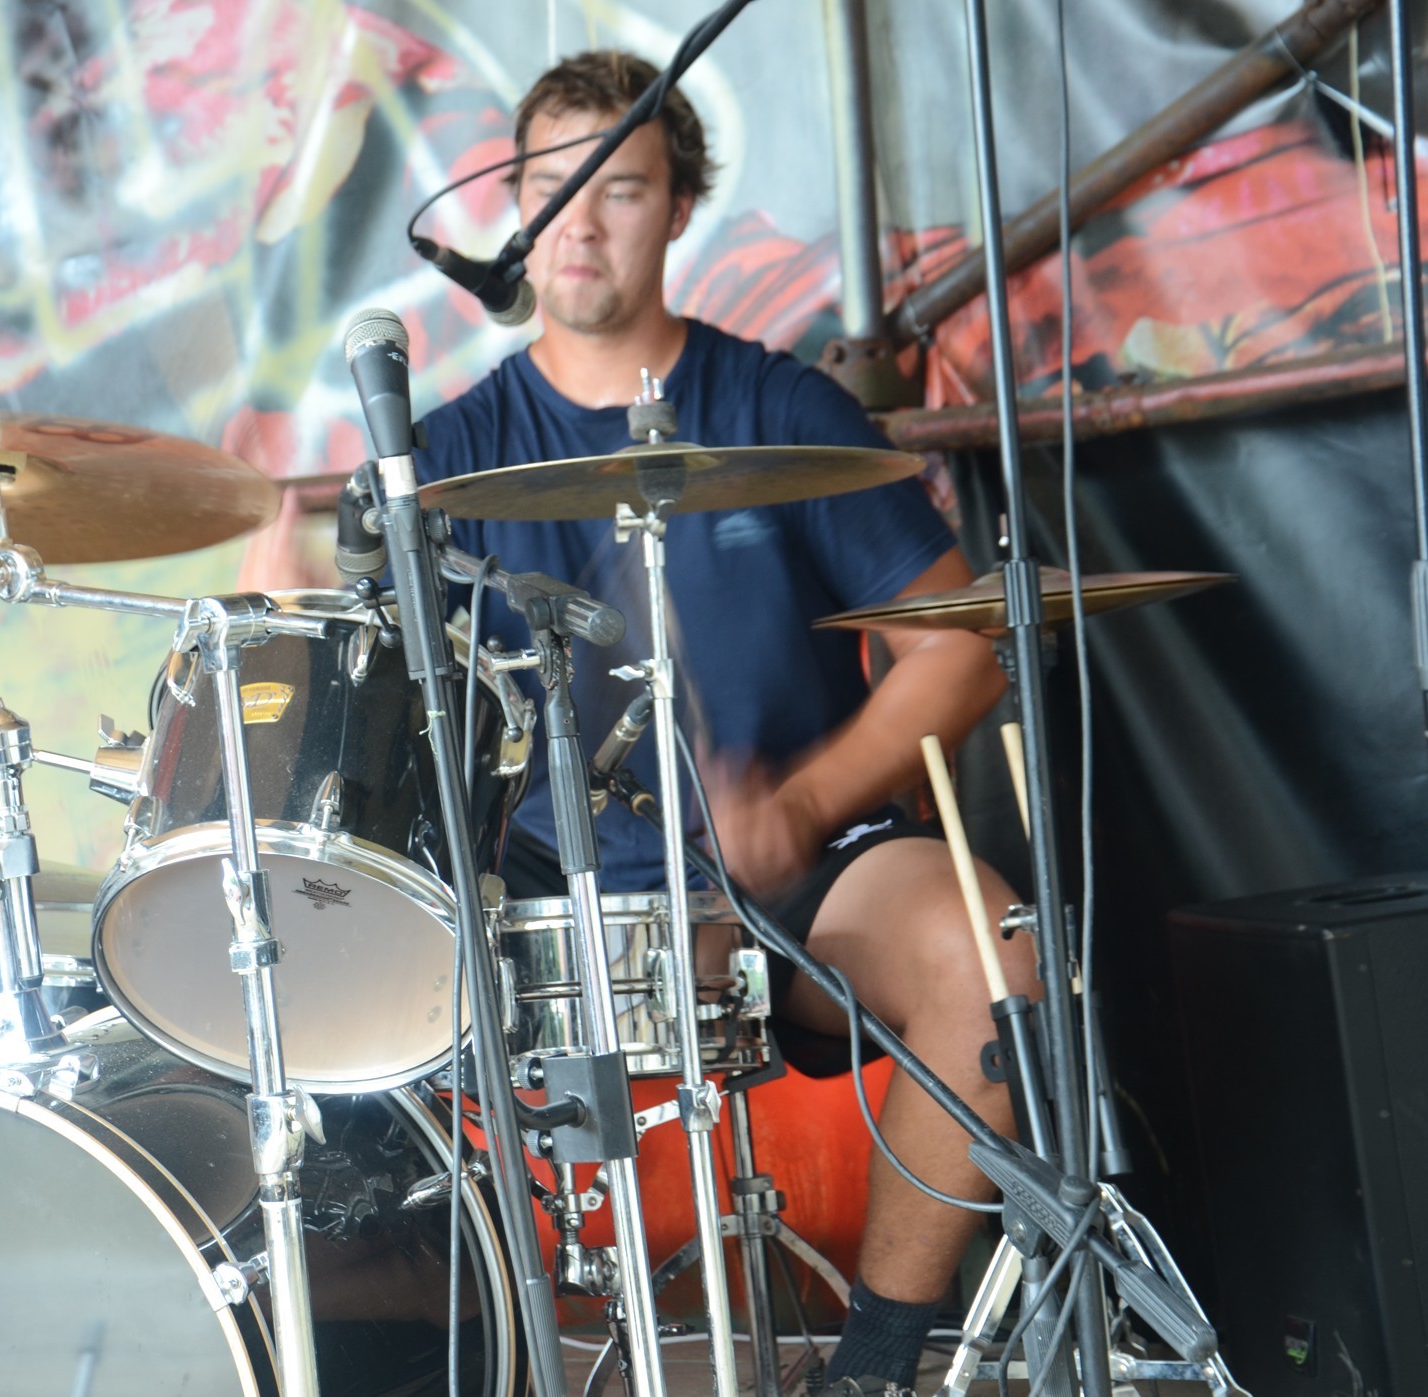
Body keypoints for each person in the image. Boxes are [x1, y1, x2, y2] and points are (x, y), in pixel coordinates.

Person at [250, 50, 1035, 1396]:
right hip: (542, 901)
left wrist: (802, 800)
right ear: (515, 215)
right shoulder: (446, 457)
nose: (578, 223)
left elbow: (959, 651)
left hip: (796, 877)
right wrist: (294, 636)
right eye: (549, 190)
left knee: (993, 953)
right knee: (285, 964)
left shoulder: (780, 409)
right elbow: (384, 727)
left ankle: (874, 1369)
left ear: (678, 210)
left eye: (618, 189)